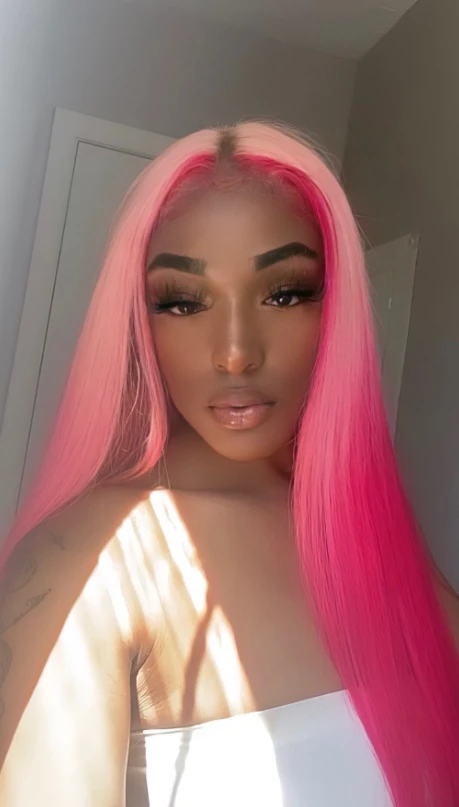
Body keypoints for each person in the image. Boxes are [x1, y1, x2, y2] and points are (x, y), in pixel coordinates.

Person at [0, 121, 458, 807]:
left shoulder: (366, 530)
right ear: (140, 320)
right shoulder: (91, 564)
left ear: (335, 307)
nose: (236, 353)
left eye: (284, 292)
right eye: (183, 302)